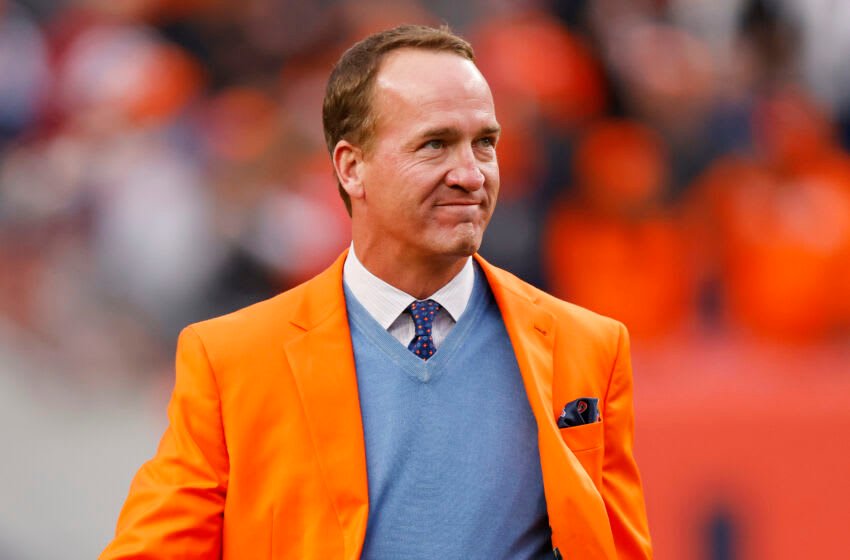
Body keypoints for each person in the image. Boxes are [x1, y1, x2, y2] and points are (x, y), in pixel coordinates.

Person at [101, 24, 652, 560]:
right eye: (435, 145)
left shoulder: (589, 347)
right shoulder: (230, 360)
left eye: (484, 143)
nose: (471, 173)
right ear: (351, 168)